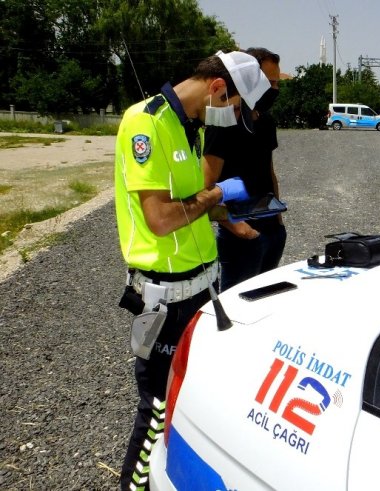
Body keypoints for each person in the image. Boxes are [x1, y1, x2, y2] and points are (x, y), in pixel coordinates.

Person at [114, 50, 270, 491]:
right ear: (219, 88)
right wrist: (215, 193)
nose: (230, 115)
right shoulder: (145, 123)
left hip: (202, 286)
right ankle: (135, 485)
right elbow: (161, 219)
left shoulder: (190, 126)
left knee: (192, 396)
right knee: (158, 405)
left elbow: (191, 203)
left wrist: (226, 214)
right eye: (234, 106)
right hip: (166, 297)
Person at [203, 47, 286, 292]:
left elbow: (269, 171)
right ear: (251, 80)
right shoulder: (223, 120)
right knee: (235, 308)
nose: (274, 90)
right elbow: (205, 187)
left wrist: (279, 222)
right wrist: (236, 227)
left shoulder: (267, 122)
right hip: (240, 235)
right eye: (269, 82)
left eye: (277, 83)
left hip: (271, 229)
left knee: (264, 302)